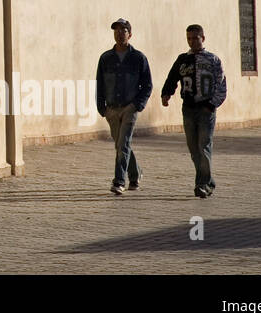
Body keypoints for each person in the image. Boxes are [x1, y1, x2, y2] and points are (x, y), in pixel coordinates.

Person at [161, 23, 227, 198]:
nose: (192, 41)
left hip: (206, 109)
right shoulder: (182, 59)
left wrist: (211, 104)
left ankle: (203, 184)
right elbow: (172, 77)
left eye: (195, 38)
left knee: (204, 145)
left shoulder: (213, 60)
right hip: (188, 108)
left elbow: (221, 85)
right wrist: (166, 94)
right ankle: (208, 181)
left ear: (203, 38)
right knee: (193, 147)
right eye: (189, 38)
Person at [95, 17, 152, 195]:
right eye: (116, 30)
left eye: (123, 30)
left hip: (129, 107)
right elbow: (100, 84)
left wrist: (137, 105)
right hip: (111, 108)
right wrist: (102, 108)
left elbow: (147, 85)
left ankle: (119, 181)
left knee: (123, 143)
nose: (120, 34)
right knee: (121, 144)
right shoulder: (106, 58)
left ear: (130, 34)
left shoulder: (138, 58)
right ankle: (135, 174)